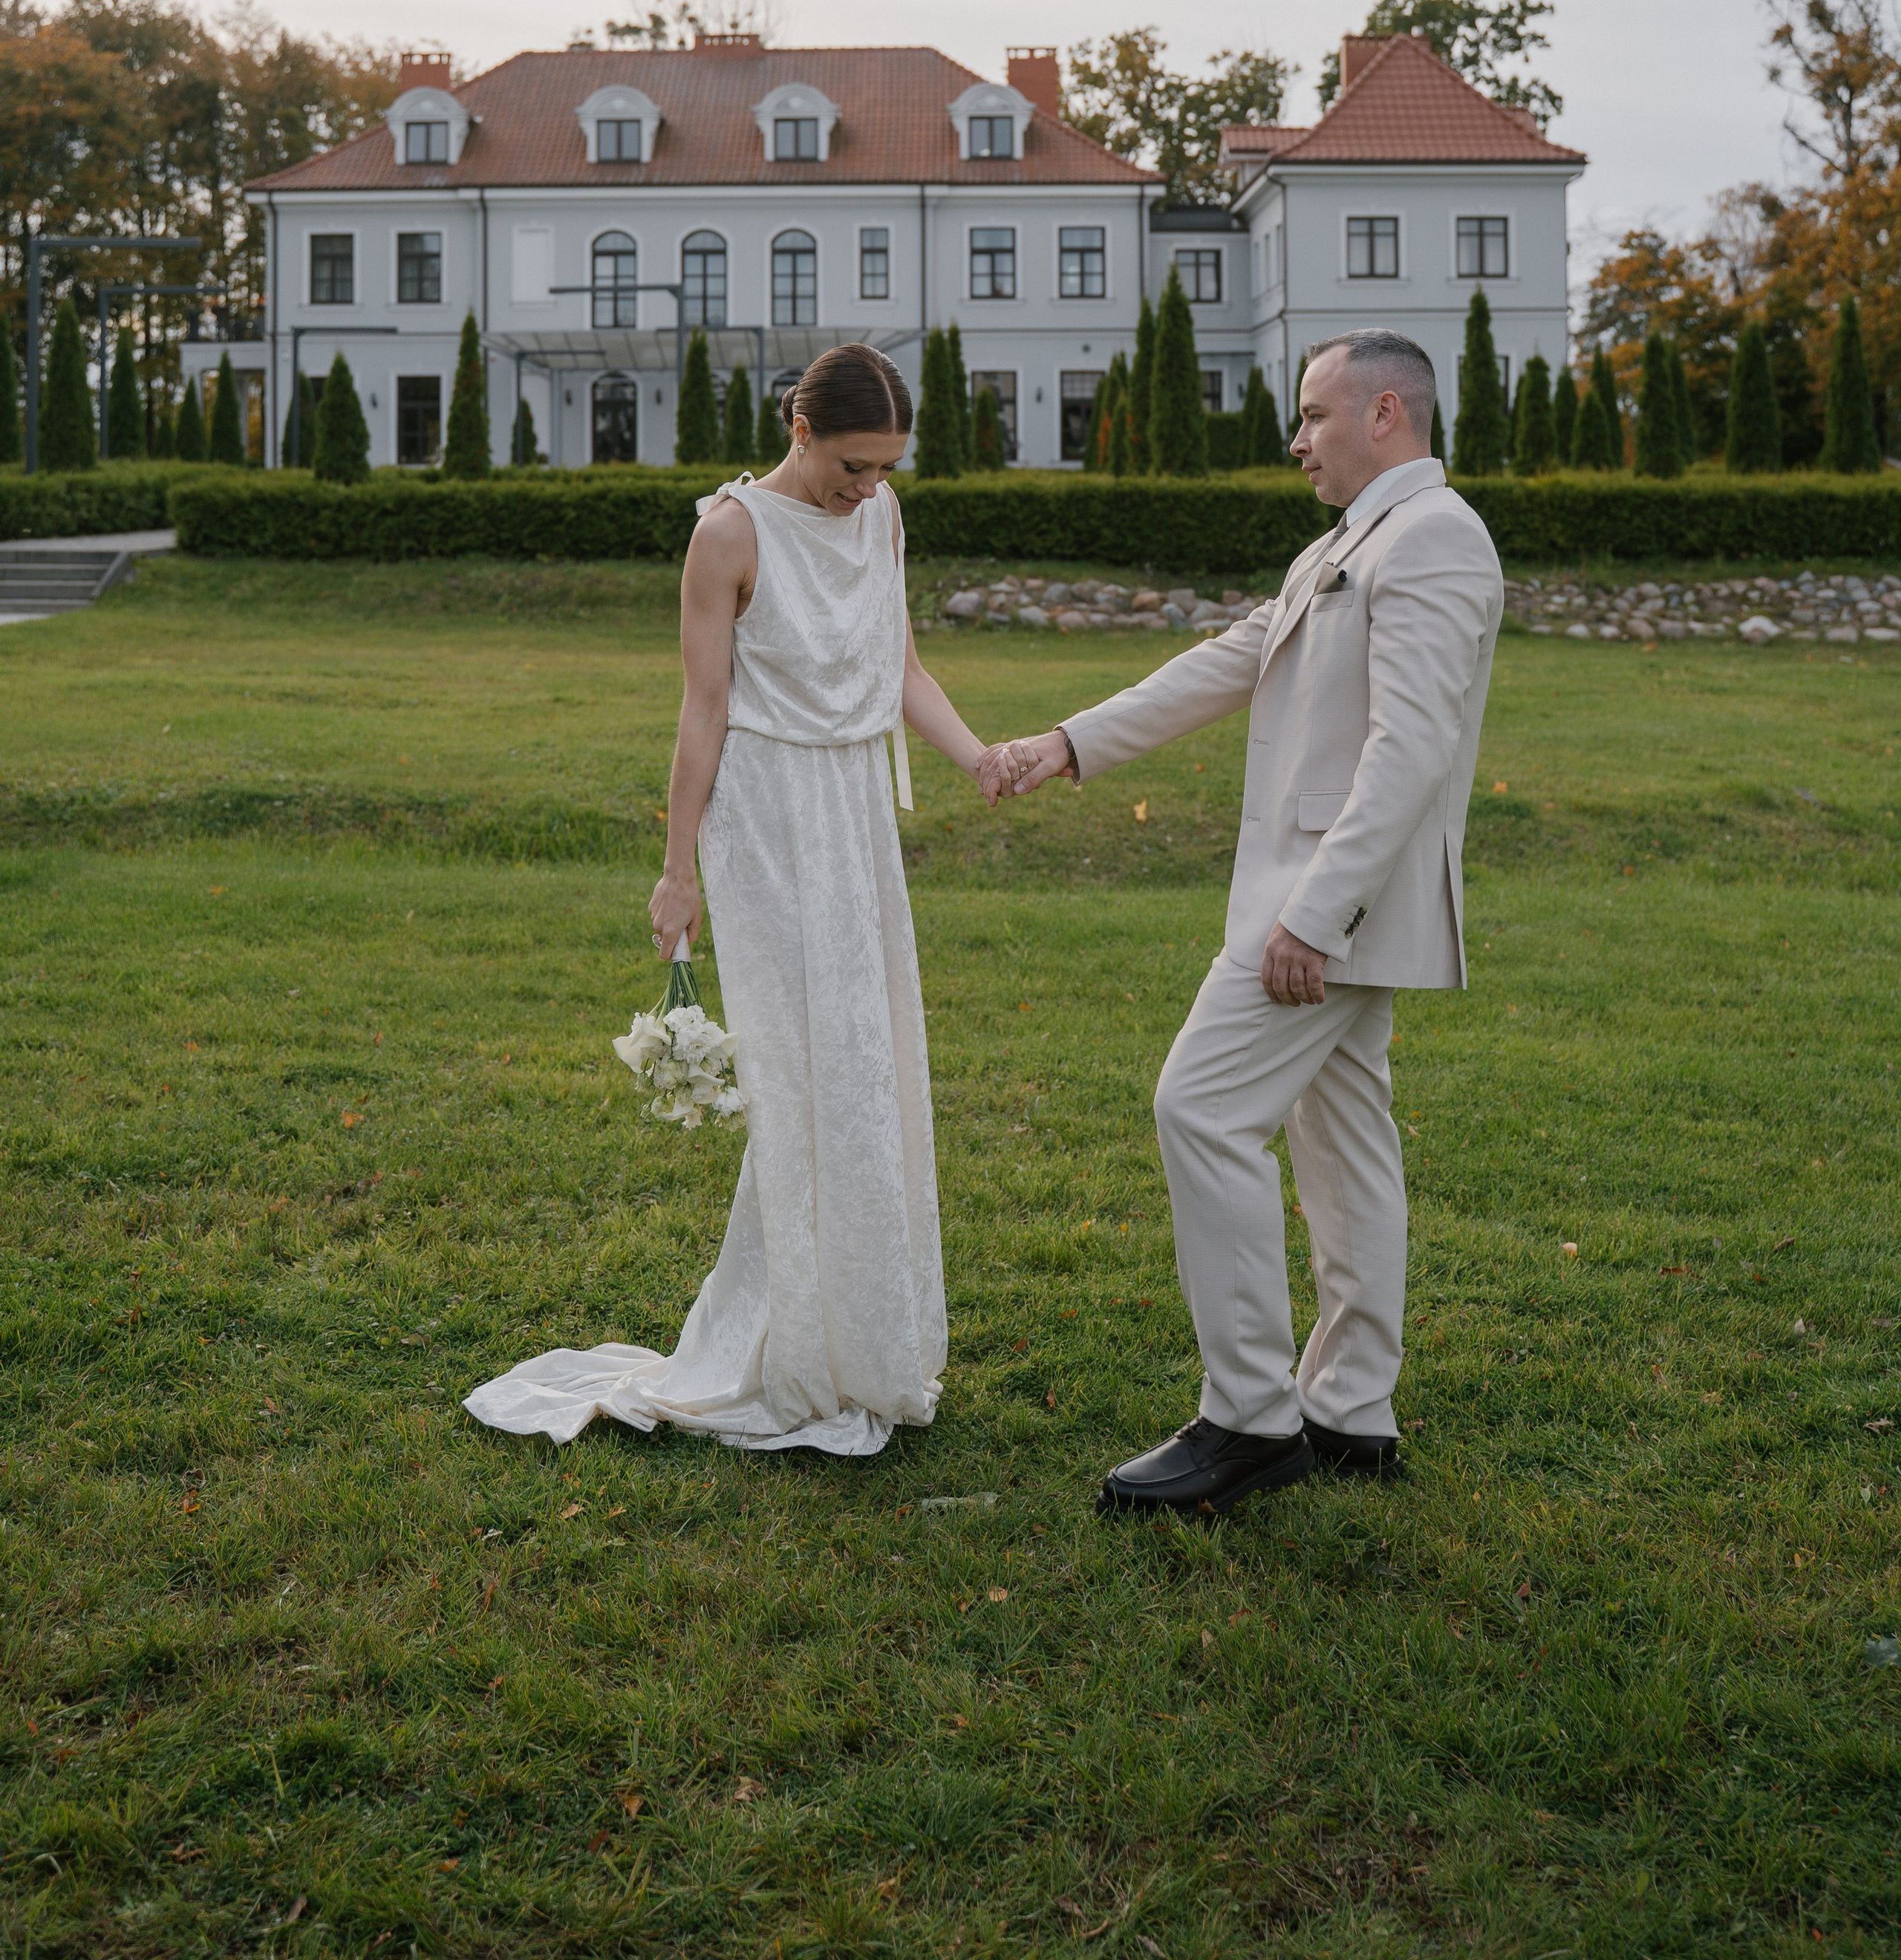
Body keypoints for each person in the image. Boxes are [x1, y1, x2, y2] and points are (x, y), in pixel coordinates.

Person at [994, 328, 1502, 1517]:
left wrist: (1317, 915)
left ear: (1387, 414)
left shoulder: (1433, 538)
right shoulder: (1346, 543)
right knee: (1342, 1138)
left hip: (1331, 903)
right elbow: (1232, 663)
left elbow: (1412, 749)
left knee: (1201, 1107)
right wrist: (1067, 745)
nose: (1298, 440)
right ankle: (1350, 1408)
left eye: (1316, 415)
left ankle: (1249, 1418)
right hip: (1325, 899)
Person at [465, 343, 1007, 1457]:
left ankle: (862, 1339)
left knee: (868, 1056)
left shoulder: (884, 515)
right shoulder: (728, 536)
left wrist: (976, 757)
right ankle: (792, 1341)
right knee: (803, 1073)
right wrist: (678, 872)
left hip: (854, 809)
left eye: (886, 468)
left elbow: (898, 668)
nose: (867, 488)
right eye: (855, 465)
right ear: (801, 431)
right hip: (762, 819)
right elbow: (702, 711)